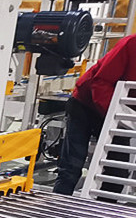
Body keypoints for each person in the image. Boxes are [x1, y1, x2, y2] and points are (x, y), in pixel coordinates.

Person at [53, 34, 136, 196]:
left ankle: (106, 208)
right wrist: (116, 115)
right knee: (72, 166)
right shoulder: (131, 44)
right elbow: (100, 82)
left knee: (117, 171)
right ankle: (57, 202)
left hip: (120, 111)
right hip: (86, 103)